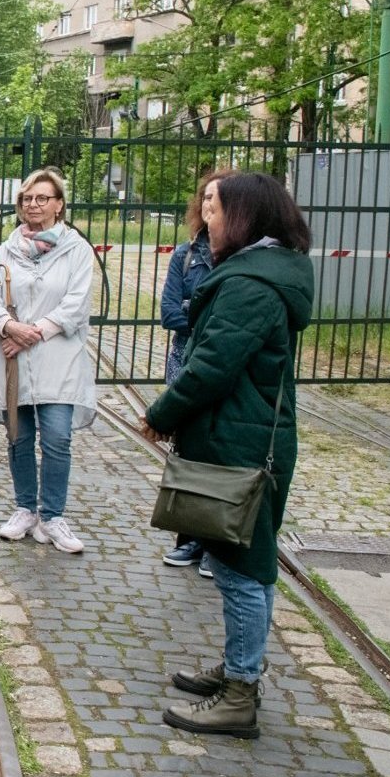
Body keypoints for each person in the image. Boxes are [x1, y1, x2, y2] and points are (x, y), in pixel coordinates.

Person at [141, 171, 313, 740]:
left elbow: (211, 366)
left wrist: (160, 415)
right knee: (248, 564)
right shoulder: (263, 272)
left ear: (242, 216)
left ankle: (240, 691)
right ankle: (241, 667)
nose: (203, 218)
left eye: (212, 208)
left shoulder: (250, 285)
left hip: (240, 442)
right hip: (246, 434)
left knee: (242, 569)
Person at [0, 167, 96, 555]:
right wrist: (9, 326)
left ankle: (53, 515)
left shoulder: (77, 250)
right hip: (14, 361)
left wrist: (32, 332)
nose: (34, 205)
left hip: (57, 359)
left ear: (59, 205)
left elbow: (76, 304)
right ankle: (25, 508)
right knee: (18, 437)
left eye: (42, 198)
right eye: (27, 198)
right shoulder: (7, 249)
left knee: (57, 437)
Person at [157, 173, 220, 575]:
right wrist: (207, 321)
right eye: (206, 197)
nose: (210, 205)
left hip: (218, 365)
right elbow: (169, 313)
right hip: (184, 362)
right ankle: (192, 539)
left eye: (219, 198)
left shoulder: (240, 259)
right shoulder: (186, 254)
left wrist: (194, 313)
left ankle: (219, 543)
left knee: (219, 452)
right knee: (187, 450)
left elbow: (224, 326)